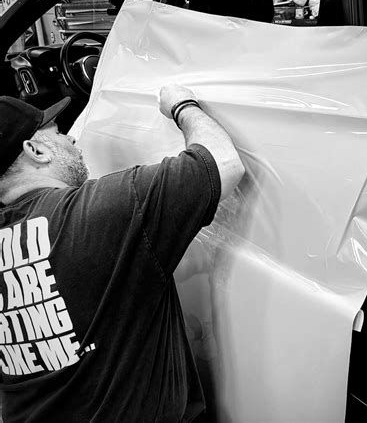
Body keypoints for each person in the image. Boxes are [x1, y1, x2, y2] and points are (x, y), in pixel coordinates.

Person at [0, 85, 245, 422]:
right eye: (57, 133)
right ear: (36, 150)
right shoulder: (101, 210)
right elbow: (223, 164)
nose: (71, 138)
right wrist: (182, 105)